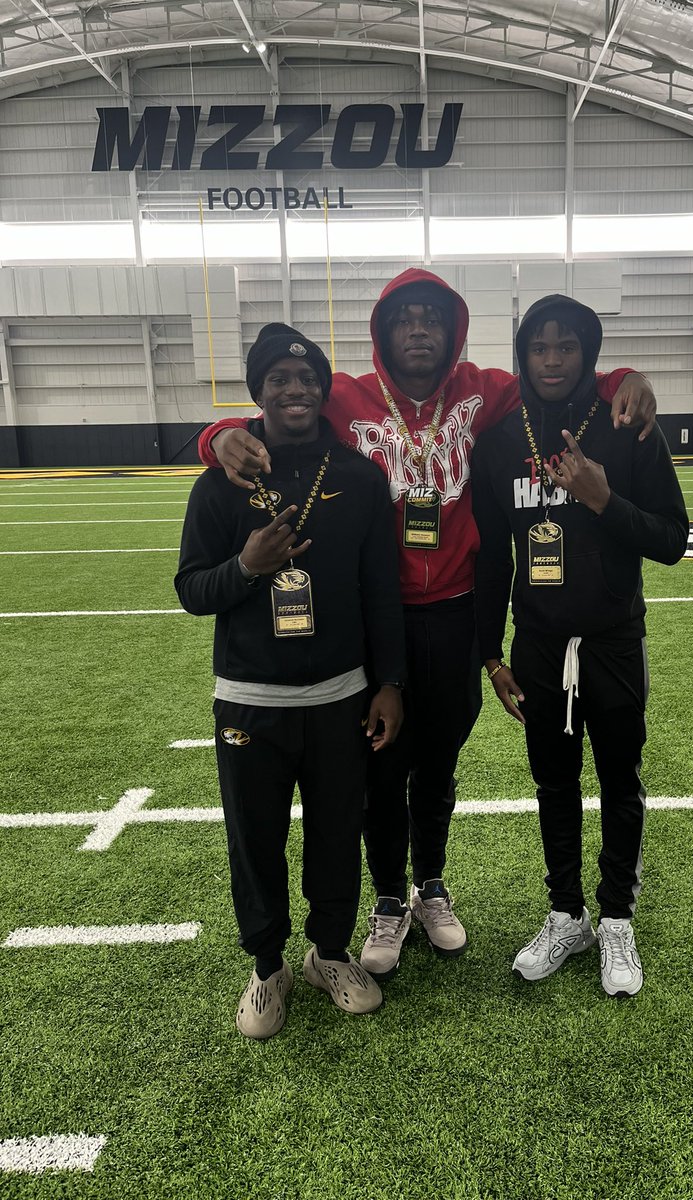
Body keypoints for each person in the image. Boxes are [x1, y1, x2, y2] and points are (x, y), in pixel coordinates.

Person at [196, 268, 658, 983]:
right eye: (405, 319)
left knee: (438, 765)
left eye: (432, 319)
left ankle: (431, 884)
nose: (419, 331)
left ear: (453, 330)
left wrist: (628, 376)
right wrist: (216, 433)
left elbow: (564, 378)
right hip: (372, 620)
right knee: (380, 770)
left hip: (453, 612)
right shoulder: (345, 396)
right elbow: (274, 419)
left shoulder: (486, 388)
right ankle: (388, 897)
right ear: (384, 332)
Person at [175, 323, 406, 1038]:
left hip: (340, 696)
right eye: (278, 378)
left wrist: (389, 682)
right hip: (251, 700)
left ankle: (329, 954)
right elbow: (191, 589)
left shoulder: (360, 477)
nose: (294, 389)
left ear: (323, 389)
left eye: (306, 379)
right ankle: (267, 966)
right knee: (255, 838)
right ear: (259, 391)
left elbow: (380, 593)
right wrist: (246, 566)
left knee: (338, 834)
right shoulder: (221, 482)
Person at [471, 294, 688, 998]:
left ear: (588, 352)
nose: (554, 359)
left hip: (614, 641)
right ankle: (566, 912)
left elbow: (674, 539)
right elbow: (492, 558)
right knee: (553, 784)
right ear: (523, 354)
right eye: (540, 346)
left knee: (621, 782)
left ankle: (617, 916)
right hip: (535, 646)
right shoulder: (503, 436)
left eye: (567, 346)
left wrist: (602, 498)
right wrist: (491, 654)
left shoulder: (628, 425)